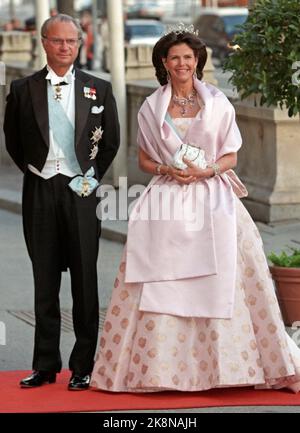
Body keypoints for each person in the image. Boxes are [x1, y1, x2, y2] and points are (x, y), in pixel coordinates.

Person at [90, 25, 300, 393]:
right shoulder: (152, 106)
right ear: (164, 62)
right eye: (175, 58)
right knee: (160, 277)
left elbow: (232, 154)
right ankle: (157, 371)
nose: (183, 63)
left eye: (189, 57)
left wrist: (208, 169)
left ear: (197, 61)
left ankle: (228, 370)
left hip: (214, 197)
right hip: (167, 199)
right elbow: (143, 159)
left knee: (227, 276)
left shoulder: (218, 102)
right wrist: (167, 169)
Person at [4, 14, 120, 390]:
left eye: (72, 41)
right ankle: (45, 365)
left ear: (79, 43)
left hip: (82, 193)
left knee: (85, 280)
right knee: (44, 280)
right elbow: (13, 141)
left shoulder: (98, 88)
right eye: (58, 41)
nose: (66, 47)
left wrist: (91, 177)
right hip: (40, 189)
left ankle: (84, 365)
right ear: (44, 42)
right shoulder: (23, 89)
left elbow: (111, 141)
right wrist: (37, 170)